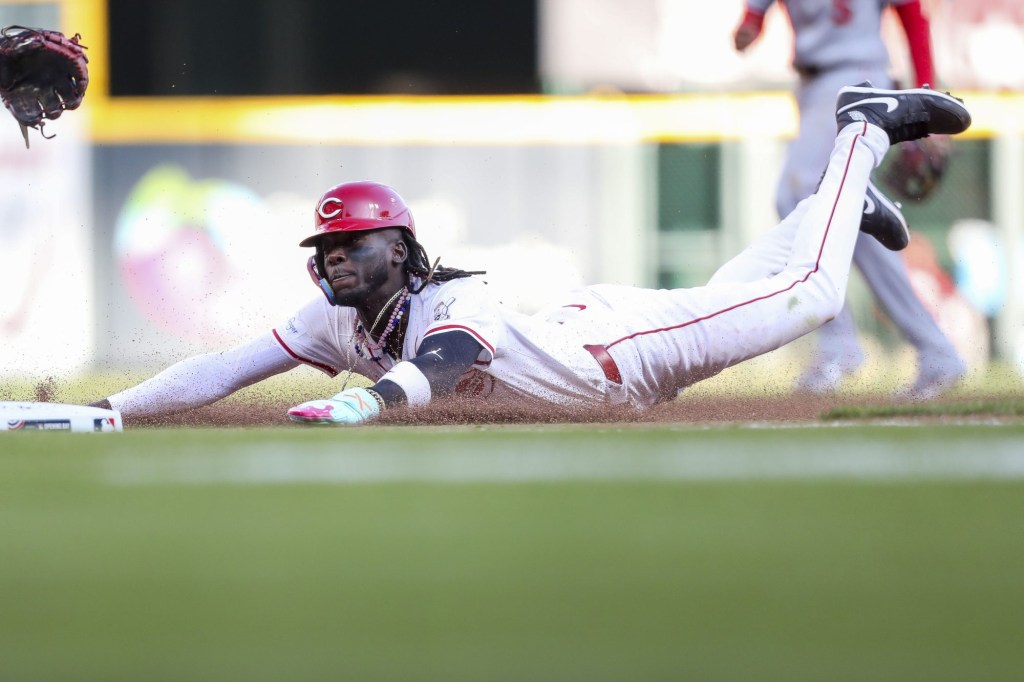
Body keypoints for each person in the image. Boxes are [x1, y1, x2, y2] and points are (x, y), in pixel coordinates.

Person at [90, 84, 972, 425]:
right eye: (325, 247)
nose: (334, 260)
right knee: (740, 292)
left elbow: (445, 359)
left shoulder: (451, 300)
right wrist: (115, 408)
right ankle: (838, 205)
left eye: (350, 244)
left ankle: (858, 134)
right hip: (598, 347)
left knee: (808, 299)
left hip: (629, 350)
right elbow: (223, 366)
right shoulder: (335, 319)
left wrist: (363, 408)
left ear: (397, 246)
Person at [732, 0, 967, 400]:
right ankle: (932, 350)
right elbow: (750, 23)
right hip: (810, 87)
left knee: (800, 194)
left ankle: (840, 346)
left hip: (858, 76)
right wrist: (749, 27)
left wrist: (925, 96)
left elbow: (911, 14)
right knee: (848, 216)